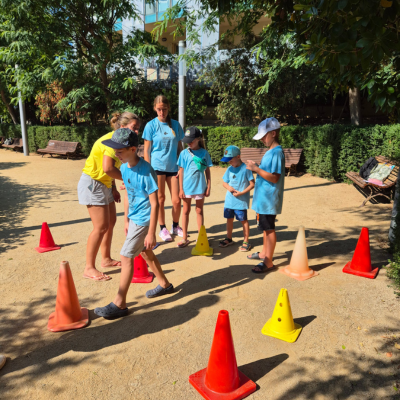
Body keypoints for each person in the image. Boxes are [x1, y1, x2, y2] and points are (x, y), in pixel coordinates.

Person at [94, 128, 174, 319]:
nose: (116, 154)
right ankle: (165, 285)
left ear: (132, 149)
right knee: (145, 252)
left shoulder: (146, 171)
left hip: (144, 220)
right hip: (134, 219)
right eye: (115, 151)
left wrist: (151, 232)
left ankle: (120, 303)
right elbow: (128, 195)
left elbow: (155, 203)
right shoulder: (124, 168)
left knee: (126, 256)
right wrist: (126, 219)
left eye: (119, 151)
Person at [77, 112, 140, 281]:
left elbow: (111, 168)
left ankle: (106, 259)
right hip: (93, 183)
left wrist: (113, 187)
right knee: (101, 226)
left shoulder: (121, 141)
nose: (136, 132)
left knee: (111, 222)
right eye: (134, 128)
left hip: (104, 184)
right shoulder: (112, 142)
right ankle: (89, 268)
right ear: (122, 127)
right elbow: (107, 168)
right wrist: (127, 180)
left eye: (138, 128)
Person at [245, 117, 285, 273]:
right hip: (263, 199)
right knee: (264, 228)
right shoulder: (270, 151)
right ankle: (264, 253)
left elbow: (275, 177)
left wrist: (256, 168)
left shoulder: (277, 153)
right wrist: (256, 167)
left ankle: (268, 261)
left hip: (268, 199)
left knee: (269, 229)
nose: (262, 139)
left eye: (264, 136)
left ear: (273, 133)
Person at [143, 95, 184, 242]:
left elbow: (180, 148)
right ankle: (162, 228)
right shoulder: (150, 126)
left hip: (173, 167)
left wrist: (182, 166)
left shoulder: (175, 125)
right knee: (160, 199)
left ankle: (175, 226)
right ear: (155, 108)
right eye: (159, 109)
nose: (162, 112)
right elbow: (146, 151)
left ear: (168, 108)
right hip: (157, 167)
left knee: (177, 200)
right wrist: (148, 170)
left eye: (164, 109)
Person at [177, 127, 213, 248]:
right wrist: (181, 189)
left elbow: (207, 171)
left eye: (191, 140)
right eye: (187, 140)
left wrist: (208, 186)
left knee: (199, 211)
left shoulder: (204, 153)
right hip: (186, 188)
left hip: (200, 187)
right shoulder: (183, 153)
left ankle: (200, 236)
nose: (189, 143)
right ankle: (184, 238)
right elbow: (181, 171)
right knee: (185, 211)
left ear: (198, 139)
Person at [219, 145, 255, 251]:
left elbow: (252, 184)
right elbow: (224, 182)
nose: (229, 162)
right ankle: (229, 238)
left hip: (241, 201)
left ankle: (246, 241)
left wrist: (241, 193)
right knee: (229, 219)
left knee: (243, 220)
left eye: (230, 160)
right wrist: (228, 187)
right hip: (229, 201)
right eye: (228, 160)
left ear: (238, 156)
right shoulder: (229, 169)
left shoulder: (246, 169)